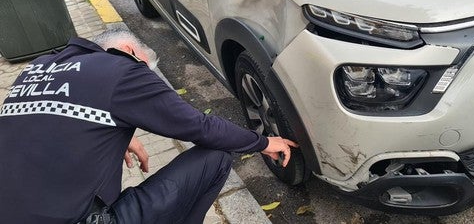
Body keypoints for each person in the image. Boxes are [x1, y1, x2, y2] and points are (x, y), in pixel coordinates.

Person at [0, 29, 297, 224]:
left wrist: (118, 136)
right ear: (128, 50)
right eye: (146, 68)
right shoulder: (121, 71)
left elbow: (45, 128)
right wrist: (264, 143)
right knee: (216, 157)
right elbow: (199, 126)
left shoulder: (37, 68)